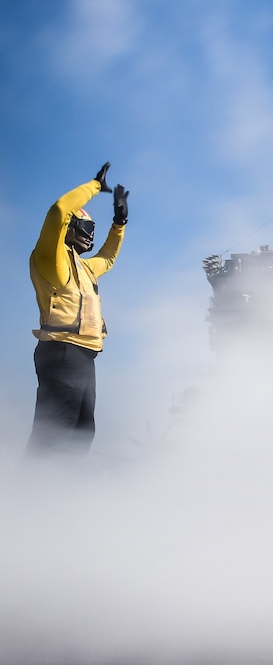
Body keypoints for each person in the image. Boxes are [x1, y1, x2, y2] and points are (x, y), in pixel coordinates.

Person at [26, 162, 129, 456]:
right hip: (62, 352)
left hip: (84, 356)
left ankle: (67, 493)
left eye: (92, 228)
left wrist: (119, 224)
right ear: (69, 228)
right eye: (84, 227)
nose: (89, 234)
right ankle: (32, 492)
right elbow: (59, 210)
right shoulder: (52, 258)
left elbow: (107, 258)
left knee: (82, 431)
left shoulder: (84, 268)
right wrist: (95, 186)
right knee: (55, 432)